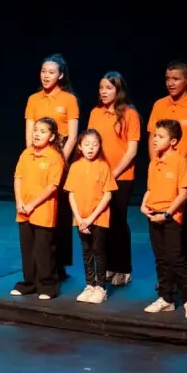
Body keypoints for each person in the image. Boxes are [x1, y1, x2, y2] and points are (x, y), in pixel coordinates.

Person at [146, 61, 187, 282]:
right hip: (162, 180)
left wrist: (177, 166)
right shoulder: (159, 105)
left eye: (175, 79)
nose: (170, 83)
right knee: (160, 233)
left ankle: (185, 281)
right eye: (167, 79)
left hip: (186, 179)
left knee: (184, 231)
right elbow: (152, 137)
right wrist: (157, 166)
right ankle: (165, 285)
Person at [24, 54, 78, 280]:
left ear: (61, 75)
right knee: (38, 211)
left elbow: (73, 135)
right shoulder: (33, 99)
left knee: (60, 213)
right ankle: (39, 264)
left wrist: (60, 162)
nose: (46, 76)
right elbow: (29, 133)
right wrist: (32, 160)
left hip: (60, 160)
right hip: (37, 162)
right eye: (43, 71)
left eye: (51, 72)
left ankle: (59, 265)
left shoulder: (68, 99)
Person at [87, 72, 141, 286]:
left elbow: (132, 150)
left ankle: (123, 268)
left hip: (121, 176)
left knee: (118, 221)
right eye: (101, 87)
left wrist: (113, 174)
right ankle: (108, 265)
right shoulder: (95, 113)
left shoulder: (130, 114)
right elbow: (90, 142)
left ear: (118, 90)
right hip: (98, 176)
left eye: (108, 88)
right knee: (102, 222)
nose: (103, 92)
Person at [141, 119, 187, 319]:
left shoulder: (179, 162)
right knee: (161, 259)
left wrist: (166, 214)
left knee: (176, 259)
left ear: (173, 141)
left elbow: (183, 194)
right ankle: (165, 298)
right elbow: (150, 189)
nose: (155, 140)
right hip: (153, 215)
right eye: (155, 136)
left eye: (160, 136)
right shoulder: (154, 162)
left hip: (171, 217)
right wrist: (144, 204)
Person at [11, 117, 64, 299]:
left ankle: (48, 286)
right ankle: (29, 283)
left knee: (43, 251)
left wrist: (32, 204)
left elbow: (52, 186)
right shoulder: (26, 154)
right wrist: (19, 202)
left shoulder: (54, 157)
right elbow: (18, 177)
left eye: (42, 131)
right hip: (23, 210)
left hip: (42, 211)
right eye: (35, 130)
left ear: (51, 136)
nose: (37, 134)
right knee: (27, 249)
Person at [64, 129, 118, 304]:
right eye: (86, 144)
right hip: (81, 219)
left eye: (95, 145)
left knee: (99, 252)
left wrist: (91, 218)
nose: (91, 148)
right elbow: (71, 193)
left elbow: (107, 195)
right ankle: (89, 284)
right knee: (86, 252)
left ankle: (101, 287)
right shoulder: (75, 166)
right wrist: (79, 218)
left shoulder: (103, 166)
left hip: (98, 218)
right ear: (79, 146)